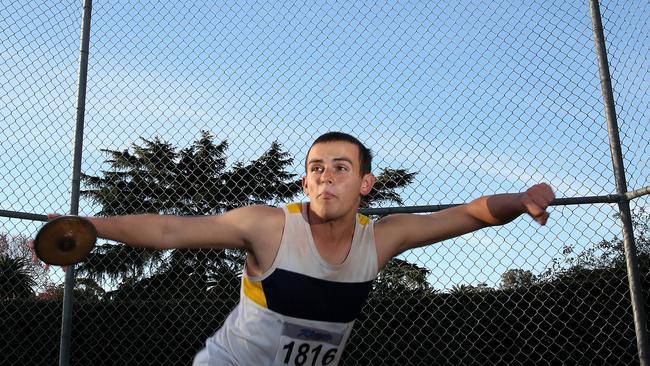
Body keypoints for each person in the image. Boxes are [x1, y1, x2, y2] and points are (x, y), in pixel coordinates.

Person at [37, 132, 555, 365]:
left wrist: (521, 198)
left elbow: (466, 214)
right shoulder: (269, 227)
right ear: (305, 183)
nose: (326, 177)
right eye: (315, 169)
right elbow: (173, 231)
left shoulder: (382, 238)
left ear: (366, 185)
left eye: (340, 168)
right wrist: (92, 224)